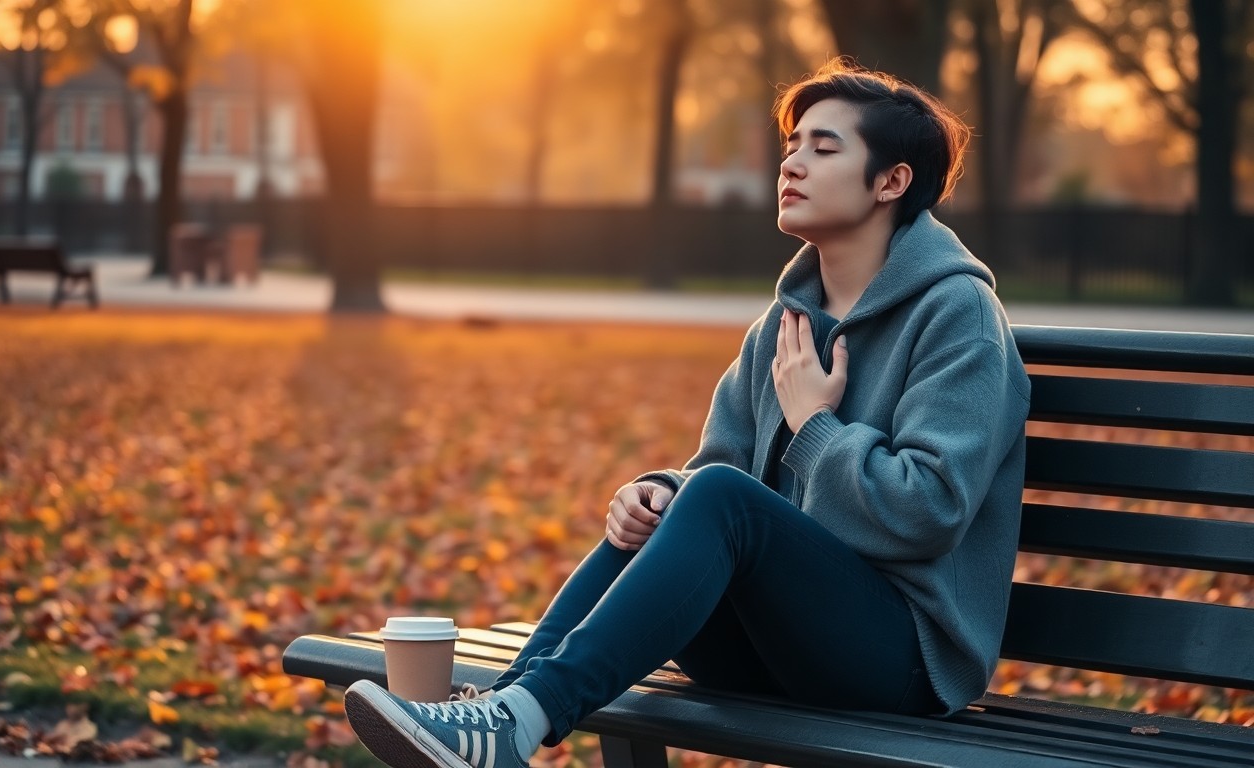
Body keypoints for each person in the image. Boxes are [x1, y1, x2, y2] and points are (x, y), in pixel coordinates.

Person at [343, 57, 1032, 768]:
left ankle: (511, 721)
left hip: (902, 662)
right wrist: (659, 493)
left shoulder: (958, 315)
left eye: (824, 148)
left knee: (720, 499)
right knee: (668, 511)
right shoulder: (782, 325)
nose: (792, 164)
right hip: (777, 641)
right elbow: (715, 474)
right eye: (792, 144)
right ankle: (503, 714)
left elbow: (930, 510)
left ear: (892, 181)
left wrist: (815, 427)